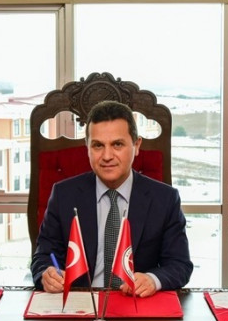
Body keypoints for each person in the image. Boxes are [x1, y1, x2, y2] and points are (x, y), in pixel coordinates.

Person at [31, 100, 193, 297]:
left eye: (117, 144)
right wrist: (46, 274)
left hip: (136, 305)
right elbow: (43, 257)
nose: (107, 156)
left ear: (136, 145)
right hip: (78, 304)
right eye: (98, 145)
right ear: (87, 148)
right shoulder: (64, 194)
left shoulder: (165, 199)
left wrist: (153, 279)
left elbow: (179, 264)